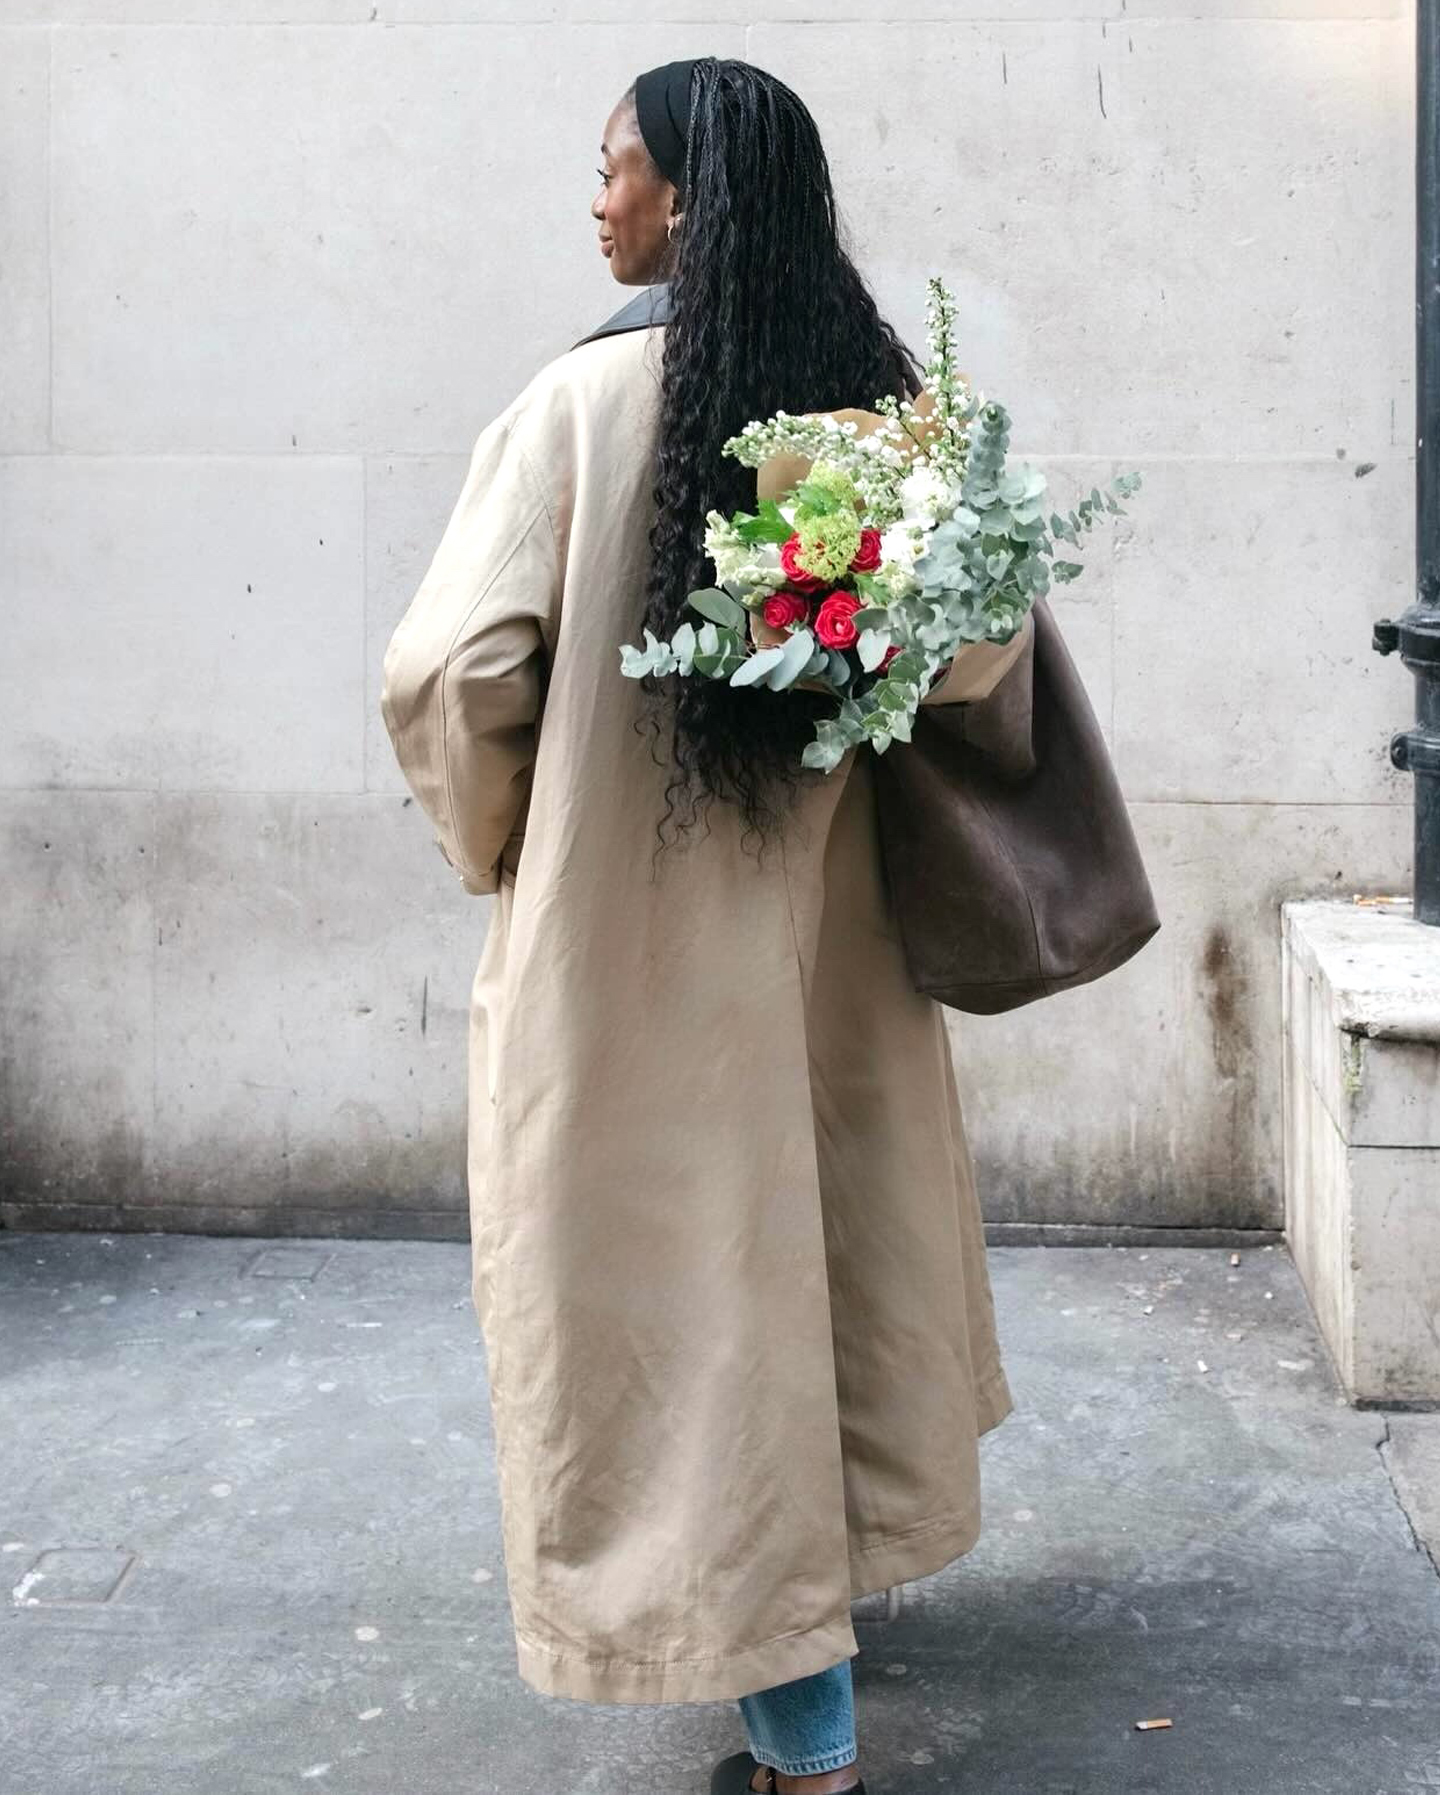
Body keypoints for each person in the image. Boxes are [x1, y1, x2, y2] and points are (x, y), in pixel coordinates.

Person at [380, 55, 1030, 1795]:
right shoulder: (876, 418)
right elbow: (979, 657)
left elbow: (451, 671)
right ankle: (832, 1599)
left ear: (687, 196)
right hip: (831, 961)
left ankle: (803, 1739)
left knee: (682, 1309)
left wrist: (516, 847)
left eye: (614, 170)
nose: (595, 201)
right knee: (821, 1268)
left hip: (623, 968)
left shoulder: (572, 414)